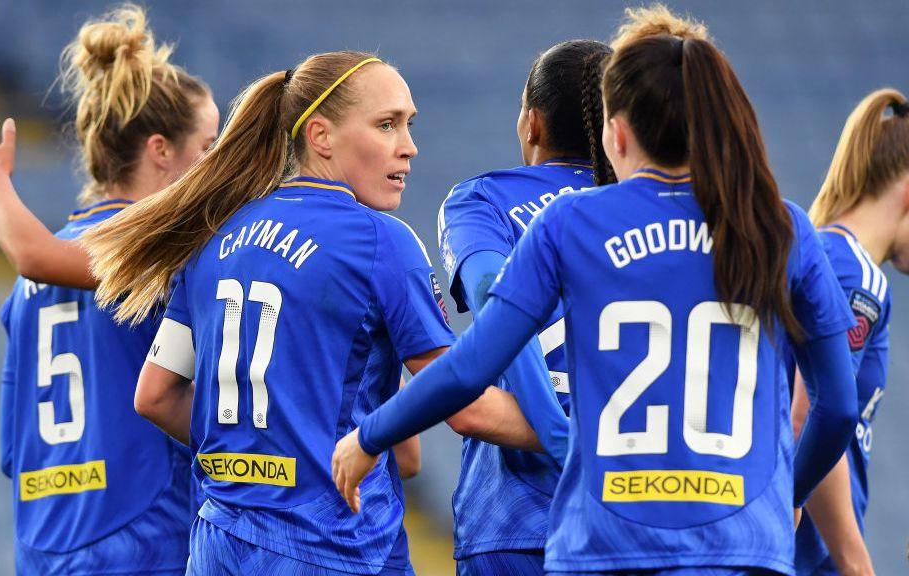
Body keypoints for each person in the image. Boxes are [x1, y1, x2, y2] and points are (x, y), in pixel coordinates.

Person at [333, 6, 861, 575]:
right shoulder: (782, 227)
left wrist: (370, 436)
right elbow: (836, 407)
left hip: (605, 542)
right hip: (741, 545)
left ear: (617, 130)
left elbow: (471, 365)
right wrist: (784, 497)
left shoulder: (572, 224)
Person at [82, 51, 452, 575]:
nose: (409, 147)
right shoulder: (380, 242)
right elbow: (453, 400)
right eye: (387, 125)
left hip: (218, 541)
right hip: (330, 545)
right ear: (320, 136)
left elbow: (154, 395)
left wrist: (257, 459)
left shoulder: (213, 237)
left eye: (408, 126)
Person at [0, 5, 218, 574]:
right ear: (160, 150)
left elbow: (12, 450)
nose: (217, 167)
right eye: (208, 147)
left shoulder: (26, 291)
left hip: (45, 545)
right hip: (143, 537)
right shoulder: (158, 255)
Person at [436, 39, 612, 575]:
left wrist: (561, 438)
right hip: (628, 515)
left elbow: (495, 299)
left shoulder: (482, 200)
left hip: (512, 521)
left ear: (531, 122)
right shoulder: (651, 211)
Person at [791, 89, 909, 576]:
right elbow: (810, 412)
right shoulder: (855, 272)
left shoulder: (829, 256)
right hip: (806, 558)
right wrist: (856, 565)